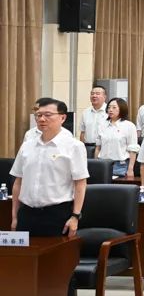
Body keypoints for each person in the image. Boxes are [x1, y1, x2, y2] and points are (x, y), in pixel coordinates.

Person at [10, 98, 88, 238]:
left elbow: (80, 183)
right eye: (38, 115)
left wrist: (75, 216)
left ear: (62, 117)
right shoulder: (27, 145)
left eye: (48, 115)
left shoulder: (74, 146)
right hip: (26, 214)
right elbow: (18, 182)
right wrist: (15, 216)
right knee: (24, 252)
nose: (42, 119)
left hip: (57, 215)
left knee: (55, 252)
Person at [96, 98, 140, 178]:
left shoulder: (129, 126)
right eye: (109, 107)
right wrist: (95, 164)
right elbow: (98, 148)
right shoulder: (102, 125)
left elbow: (133, 150)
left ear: (122, 109)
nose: (110, 110)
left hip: (120, 166)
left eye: (114, 107)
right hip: (102, 164)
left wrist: (130, 169)